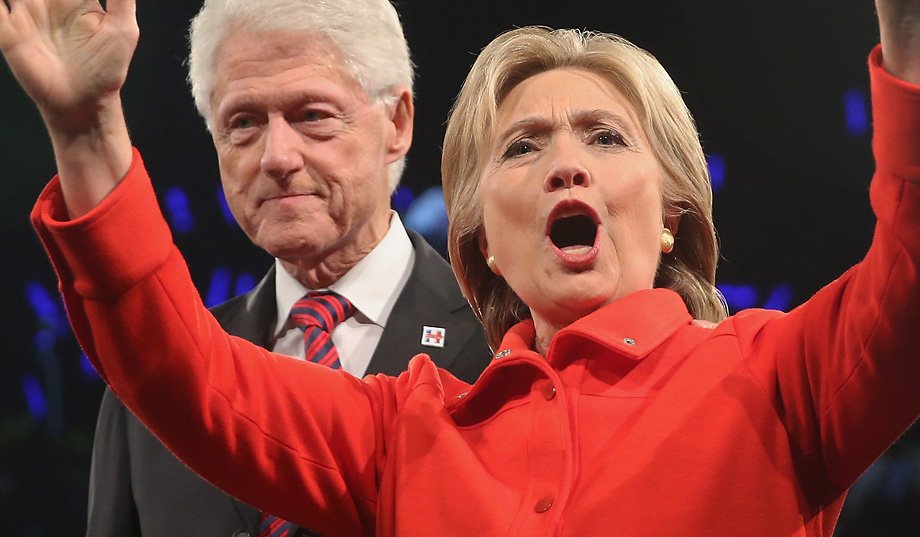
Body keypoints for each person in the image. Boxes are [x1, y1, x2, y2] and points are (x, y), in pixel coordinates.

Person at [6, 0, 920, 534]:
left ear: (674, 215)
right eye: (523, 146)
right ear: (482, 237)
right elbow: (185, 373)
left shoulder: (779, 377)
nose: (567, 165)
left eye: (606, 137)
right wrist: (87, 134)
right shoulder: (405, 431)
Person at [2, 1, 491, 536]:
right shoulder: (148, 379)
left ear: (396, 123)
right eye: (244, 122)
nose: (276, 157)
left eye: (312, 115)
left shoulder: (506, 353)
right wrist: (84, 129)